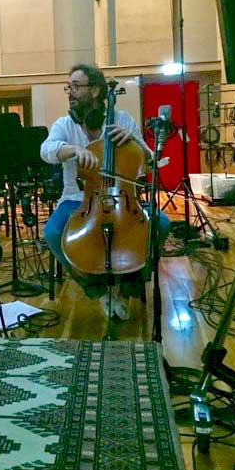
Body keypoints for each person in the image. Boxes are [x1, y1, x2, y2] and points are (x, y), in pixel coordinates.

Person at [40, 64, 169, 320]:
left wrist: (134, 142)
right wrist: (73, 150)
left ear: (96, 90)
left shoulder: (123, 120)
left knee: (161, 223)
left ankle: (131, 283)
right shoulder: (65, 124)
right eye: (69, 87)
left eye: (76, 86)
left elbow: (149, 159)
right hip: (78, 200)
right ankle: (97, 290)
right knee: (52, 233)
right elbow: (47, 150)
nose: (70, 91)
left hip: (123, 199)